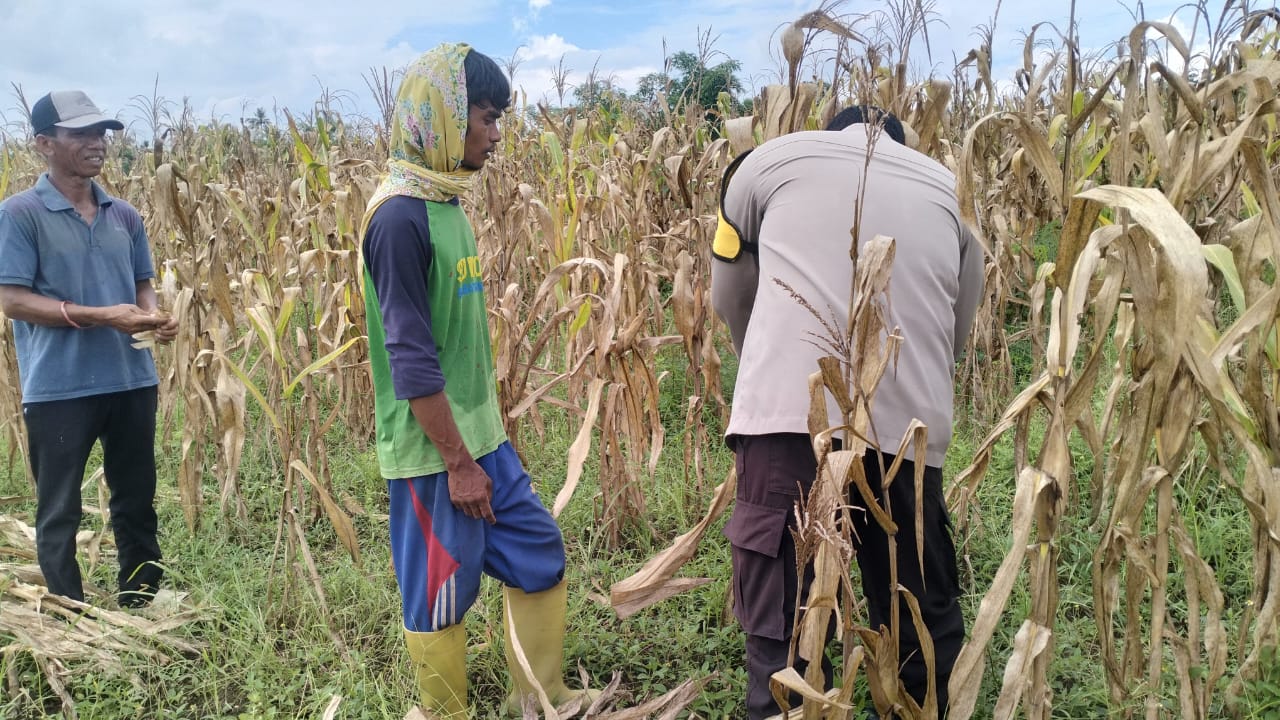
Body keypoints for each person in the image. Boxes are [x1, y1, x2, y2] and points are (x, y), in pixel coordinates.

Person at [711, 105, 984, 719]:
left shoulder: (761, 164)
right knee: (915, 605)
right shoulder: (950, 190)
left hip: (787, 422)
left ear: (829, 132)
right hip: (907, 431)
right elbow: (958, 324)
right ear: (902, 146)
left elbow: (727, 295)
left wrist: (766, 374)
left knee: (785, 623)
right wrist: (912, 384)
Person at [359, 43, 597, 718]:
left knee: (538, 552)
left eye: (498, 120)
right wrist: (459, 464)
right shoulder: (399, 219)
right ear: (441, 116)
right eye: (486, 118)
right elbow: (411, 361)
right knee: (440, 594)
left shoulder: (447, 202)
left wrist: (482, 448)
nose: (495, 135)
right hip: (433, 454)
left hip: (481, 439)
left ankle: (540, 698)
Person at [0, 90, 179, 608]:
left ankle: (141, 600)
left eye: (100, 132)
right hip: (59, 388)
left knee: (136, 498)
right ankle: (69, 615)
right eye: (80, 133)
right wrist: (104, 316)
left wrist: (152, 317)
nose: (97, 142)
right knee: (59, 509)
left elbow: (141, 284)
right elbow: (12, 300)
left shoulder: (125, 215)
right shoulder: (20, 214)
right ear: (44, 144)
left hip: (131, 379)